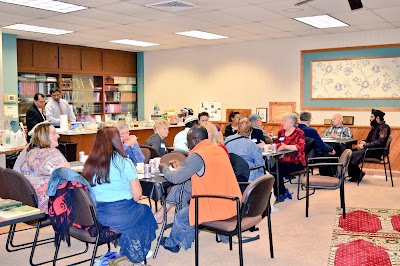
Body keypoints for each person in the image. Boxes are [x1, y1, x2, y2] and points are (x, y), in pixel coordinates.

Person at [159, 125, 242, 253]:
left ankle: (171, 243)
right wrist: (185, 167)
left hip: (214, 204)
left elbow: (176, 179)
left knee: (183, 215)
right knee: (190, 210)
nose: (187, 144)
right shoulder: (218, 149)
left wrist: (164, 168)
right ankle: (185, 242)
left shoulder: (198, 155)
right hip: (233, 202)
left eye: (189, 141)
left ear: (196, 140)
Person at [81, 127, 157, 264]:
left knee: (136, 215)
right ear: (116, 141)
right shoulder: (124, 162)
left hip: (96, 215)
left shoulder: (89, 163)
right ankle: (136, 253)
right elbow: (137, 195)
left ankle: (128, 246)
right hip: (120, 213)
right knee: (144, 211)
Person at [19, 121, 70, 212]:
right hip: (51, 204)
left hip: (30, 203)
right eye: (54, 133)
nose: (58, 136)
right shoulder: (52, 153)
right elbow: (67, 173)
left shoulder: (30, 153)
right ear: (44, 136)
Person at [348, 109, 391, 183]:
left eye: (371, 117)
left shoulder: (384, 127)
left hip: (376, 151)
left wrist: (364, 146)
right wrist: (363, 142)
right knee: (349, 152)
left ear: (377, 118)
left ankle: (358, 174)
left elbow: (380, 142)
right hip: (369, 149)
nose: (370, 119)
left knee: (354, 154)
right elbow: (368, 139)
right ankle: (357, 174)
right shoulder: (374, 127)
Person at [272, 113, 306, 202]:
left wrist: (286, 146)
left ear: (291, 122)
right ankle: (280, 192)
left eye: (285, 121)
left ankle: (281, 194)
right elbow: (275, 143)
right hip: (282, 160)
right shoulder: (281, 132)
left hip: (296, 161)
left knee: (277, 171)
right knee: (271, 169)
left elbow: (300, 147)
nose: (283, 123)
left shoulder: (299, 132)